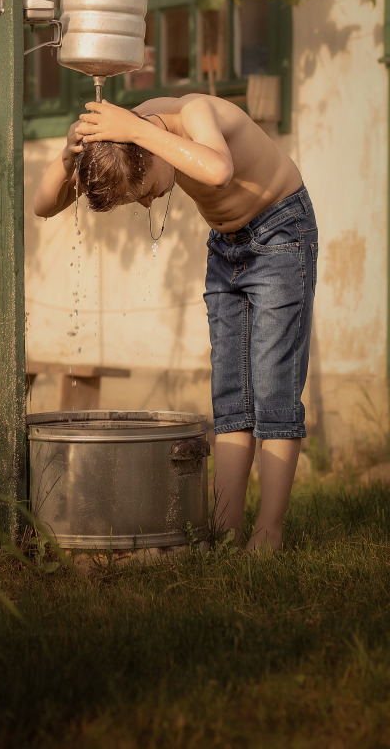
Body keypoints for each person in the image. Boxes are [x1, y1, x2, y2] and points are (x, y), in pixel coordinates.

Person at [33, 93, 318, 551]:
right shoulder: (126, 143)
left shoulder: (189, 113)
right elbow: (42, 205)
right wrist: (69, 153)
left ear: (151, 145)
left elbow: (219, 169)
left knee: (273, 387)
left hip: (280, 232)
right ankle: (225, 530)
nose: (148, 204)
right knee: (231, 392)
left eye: (144, 191)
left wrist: (139, 129)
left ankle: (269, 532)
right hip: (227, 248)